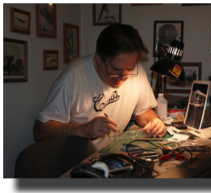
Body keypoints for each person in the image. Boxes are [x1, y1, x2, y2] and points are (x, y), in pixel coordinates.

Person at [33, 23, 166, 150]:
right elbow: (40, 130)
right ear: (99, 58)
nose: (123, 76)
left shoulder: (135, 69)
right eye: (116, 69)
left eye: (130, 69)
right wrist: (83, 129)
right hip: (79, 158)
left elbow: (142, 111)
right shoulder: (72, 78)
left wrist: (155, 122)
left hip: (114, 153)